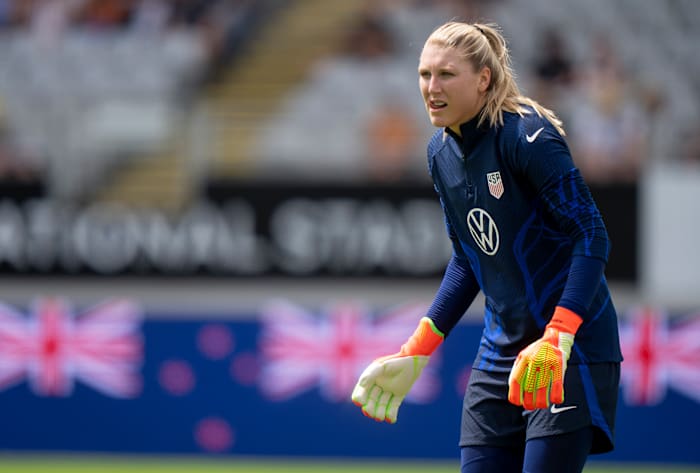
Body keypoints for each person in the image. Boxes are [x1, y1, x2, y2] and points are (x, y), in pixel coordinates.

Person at [351, 21, 622, 473]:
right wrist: (416, 349)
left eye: (446, 75)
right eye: (424, 74)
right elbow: (467, 259)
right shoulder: (439, 152)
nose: (431, 88)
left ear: (484, 79)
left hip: (567, 350)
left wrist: (557, 337)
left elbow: (591, 234)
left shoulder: (527, 136)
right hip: (499, 353)